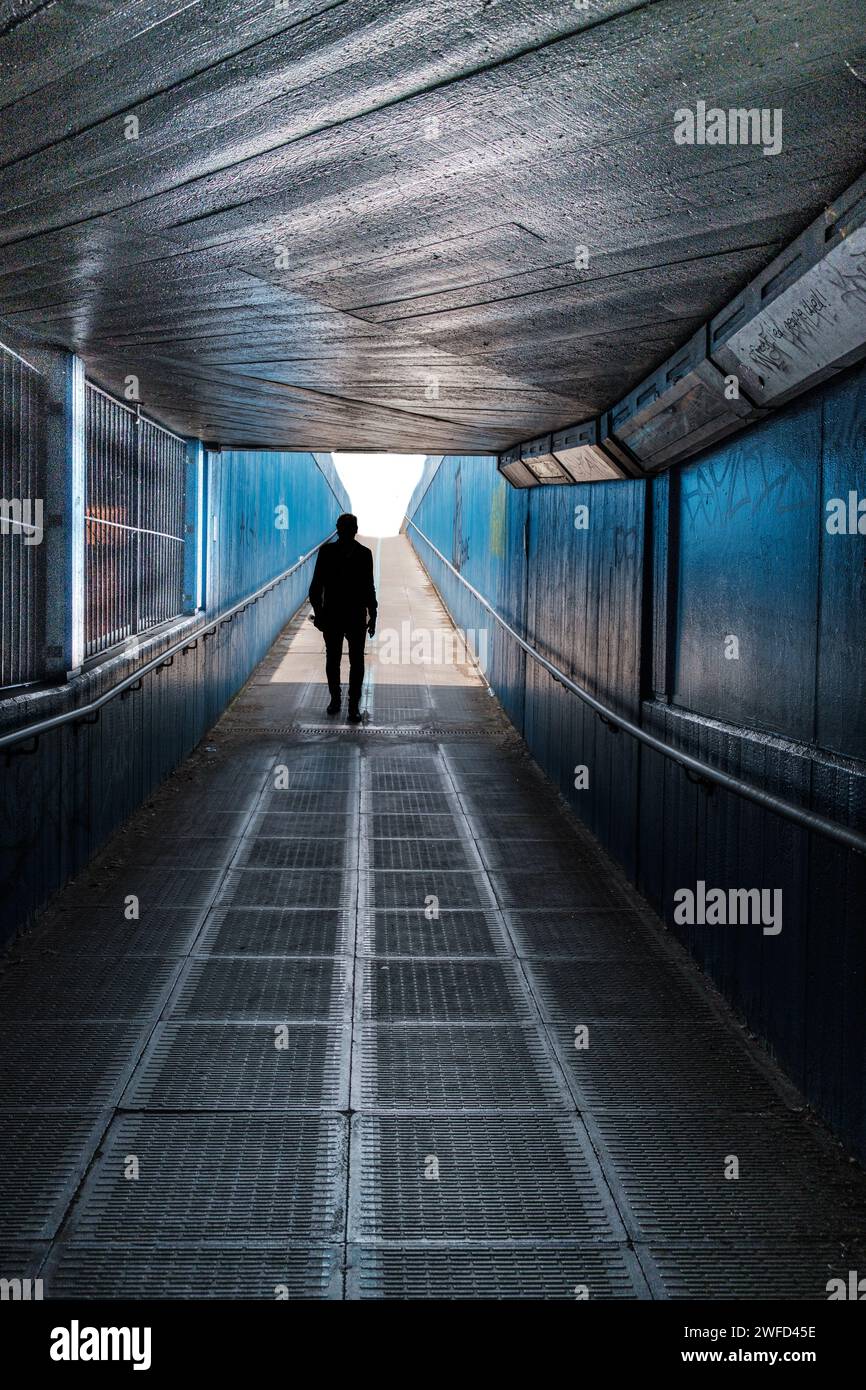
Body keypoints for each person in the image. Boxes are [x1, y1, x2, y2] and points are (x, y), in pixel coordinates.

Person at [308, 513, 377, 722]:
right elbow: (369, 589)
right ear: (355, 530)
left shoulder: (327, 553)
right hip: (352, 616)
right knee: (356, 661)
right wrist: (373, 614)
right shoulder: (364, 554)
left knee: (334, 659)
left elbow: (315, 588)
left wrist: (319, 613)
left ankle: (336, 700)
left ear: (338, 529)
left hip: (336, 615)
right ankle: (352, 705)